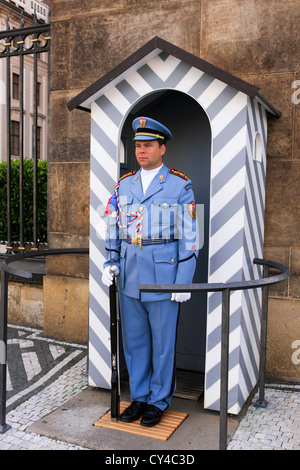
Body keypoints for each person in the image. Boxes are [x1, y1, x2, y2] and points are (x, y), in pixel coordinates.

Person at [101, 116, 198, 427]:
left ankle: (158, 400)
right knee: (135, 341)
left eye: (148, 145)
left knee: (163, 343)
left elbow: (190, 238)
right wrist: (110, 260)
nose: (141, 151)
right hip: (129, 274)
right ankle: (139, 397)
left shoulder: (179, 184)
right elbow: (112, 225)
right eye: (137, 146)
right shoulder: (123, 184)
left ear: (162, 148)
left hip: (163, 277)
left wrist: (183, 282)